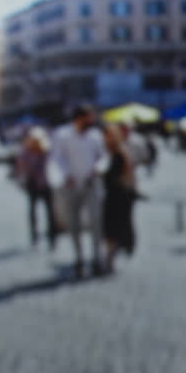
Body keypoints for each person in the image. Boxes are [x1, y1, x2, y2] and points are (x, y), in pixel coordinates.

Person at [48, 105, 107, 278]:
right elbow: (57, 158)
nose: (92, 120)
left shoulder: (95, 135)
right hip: (71, 184)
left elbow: (103, 157)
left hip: (91, 183)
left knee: (96, 221)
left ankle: (97, 258)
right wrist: (66, 175)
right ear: (79, 118)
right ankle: (79, 258)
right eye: (89, 117)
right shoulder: (62, 135)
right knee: (73, 223)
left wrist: (98, 169)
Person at [102, 124, 137, 274]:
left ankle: (113, 255)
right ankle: (109, 257)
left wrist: (131, 190)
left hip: (119, 196)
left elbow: (129, 175)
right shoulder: (103, 154)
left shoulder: (121, 154)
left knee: (119, 226)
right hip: (108, 196)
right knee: (109, 228)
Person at [15, 126, 57, 249]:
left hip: (46, 184)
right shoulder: (26, 153)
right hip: (33, 184)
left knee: (50, 212)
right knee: (33, 211)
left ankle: (52, 236)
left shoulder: (47, 151)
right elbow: (21, 168)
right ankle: (34, 234)